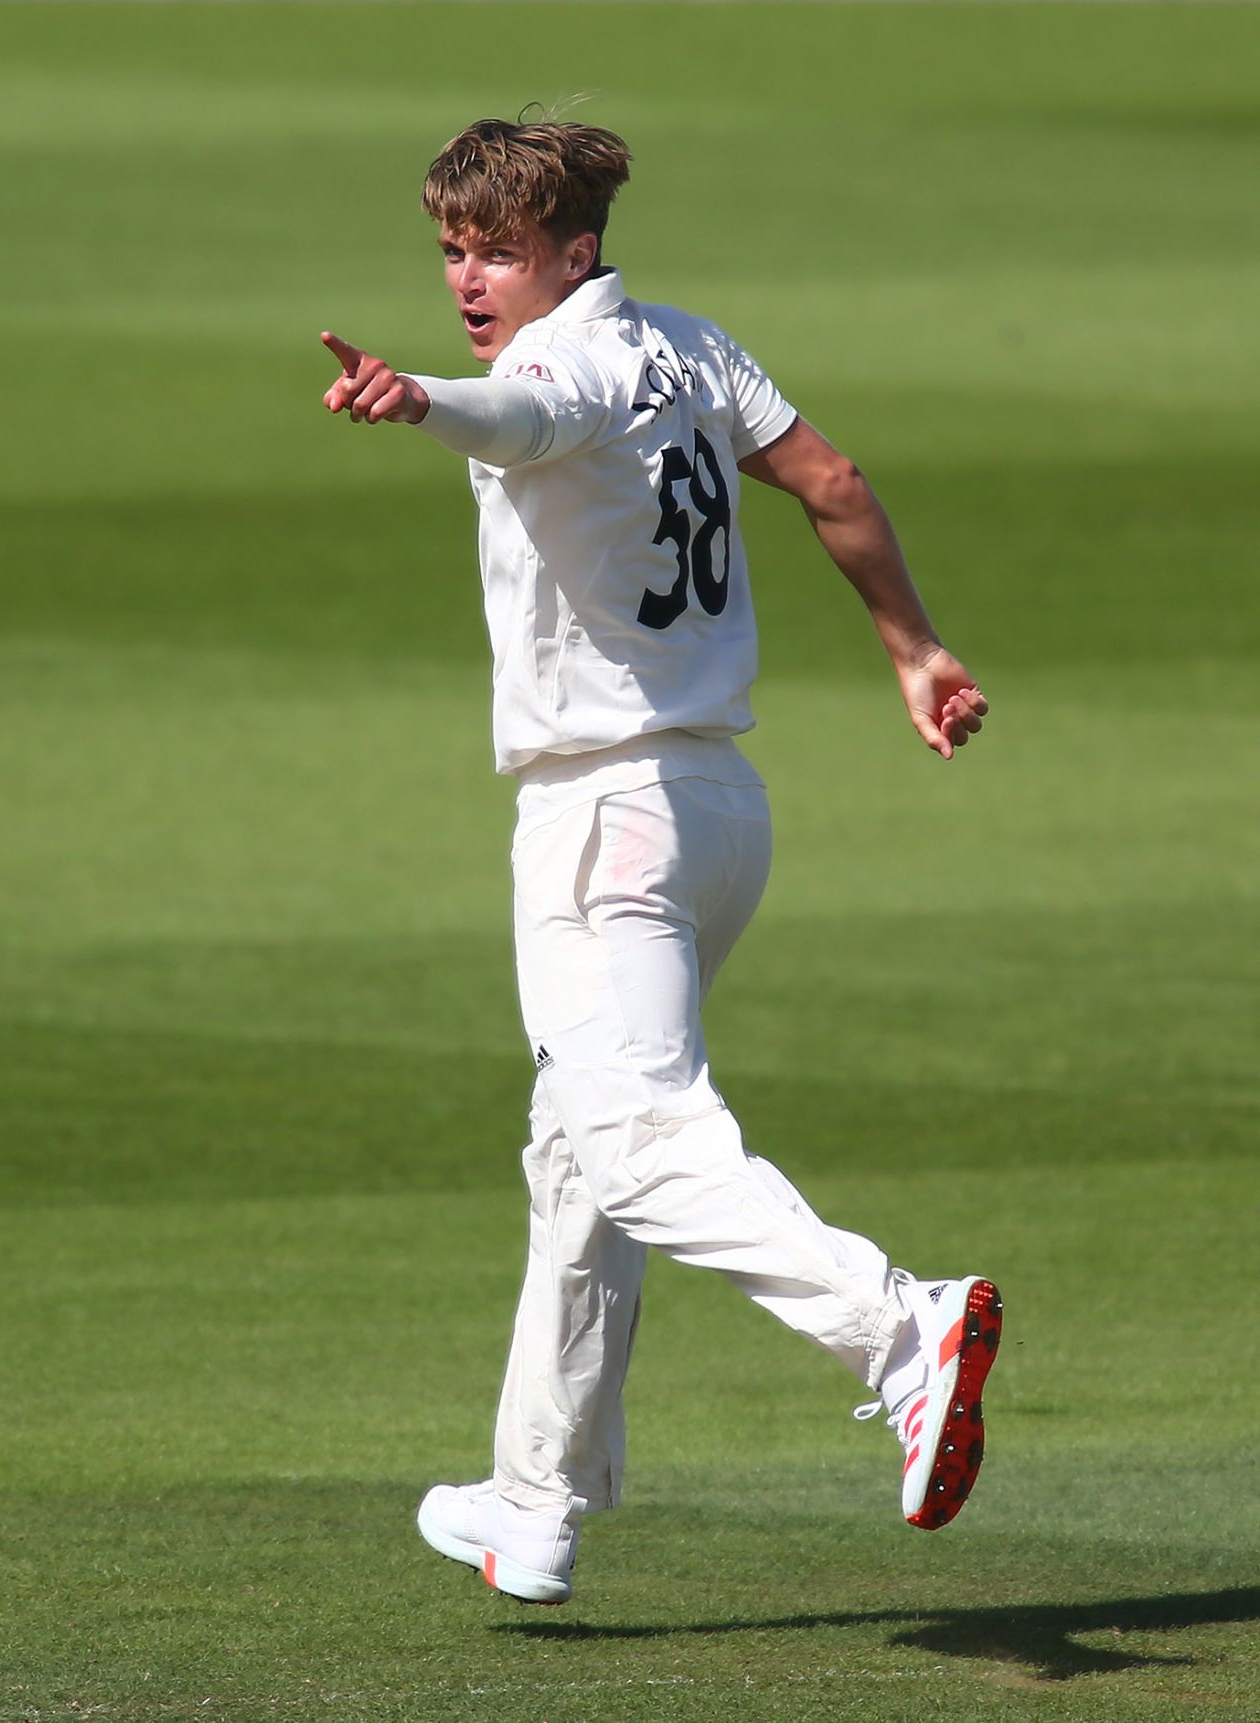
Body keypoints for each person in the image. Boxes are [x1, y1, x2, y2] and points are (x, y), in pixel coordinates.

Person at [321, 117, 1001, 1607]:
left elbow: (510, 422)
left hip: (604, 824)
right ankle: (532, 1497)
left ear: (572, 253)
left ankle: (898, 1331)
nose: (468, 278)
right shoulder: (693, 350)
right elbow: (830, 478)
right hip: (718, 813)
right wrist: (914, 645)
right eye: (452, 249)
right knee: (576, 1149)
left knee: (630, 1135)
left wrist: (413, 400)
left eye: (497, 250)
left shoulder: (552, 369)